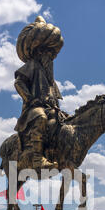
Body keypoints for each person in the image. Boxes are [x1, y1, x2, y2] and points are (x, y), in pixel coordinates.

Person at [14, 16, 68, 169]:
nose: (51, 57)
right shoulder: (32, 65)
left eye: (52, 54)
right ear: (40, 51)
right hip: (33, 109)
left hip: (52, 110)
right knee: (41, 117)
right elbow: (18, 83)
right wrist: (30, 99)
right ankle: (37, 158)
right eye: (48, 52)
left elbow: (54, 98)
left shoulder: (51, 78)